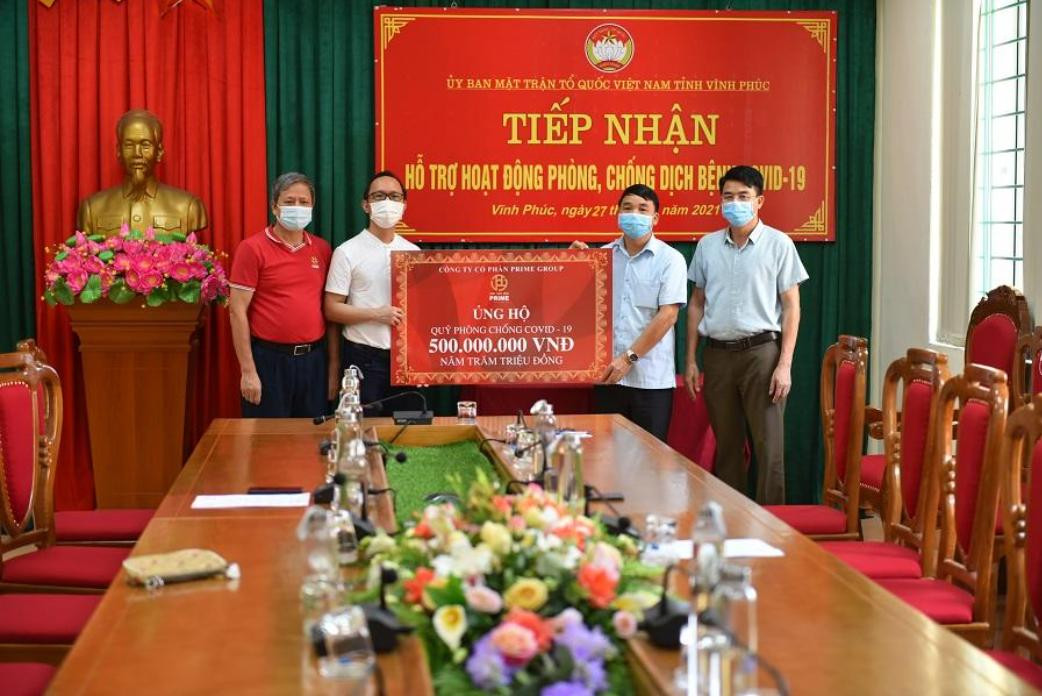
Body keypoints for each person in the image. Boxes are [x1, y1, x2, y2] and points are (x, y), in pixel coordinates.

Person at [684, 165, 809, 505]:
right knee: (727, 447)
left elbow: (792, 307)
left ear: (759, 201)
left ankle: (773, 522)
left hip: (762, 355)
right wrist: (691, 359)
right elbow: (696, 304)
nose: (735, 203)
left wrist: (784, 364)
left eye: (743, 196)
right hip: (717, 355)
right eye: (728, 197)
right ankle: (731, 519)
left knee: (769, 448)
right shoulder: (707, 245)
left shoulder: (779, 244)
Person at [573, 184, 688, 441]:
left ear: (655, 218)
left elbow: (668, 316)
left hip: (650, 381)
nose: (634, 214)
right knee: (607, 454)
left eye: (642, 209)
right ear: (618, 214)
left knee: (649, 457)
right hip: (608, 378)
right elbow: (579, 309)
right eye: (627, 208)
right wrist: (573, 266)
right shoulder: (602, 257)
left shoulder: (670, 259)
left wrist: (628, 358)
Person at [228, 172, 337, 418]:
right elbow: (237, 311)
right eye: (289, 201)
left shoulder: (322, 249)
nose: (297, 207)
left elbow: (329, 311)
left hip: (314, 362)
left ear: (312, 207)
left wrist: (332, 368)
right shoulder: (252, 248)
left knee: (311, 436)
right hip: (269, 362)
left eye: (303, 202)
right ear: (274, 207)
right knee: (268, 438)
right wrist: (248, 371)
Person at [324, 171, 419, 409]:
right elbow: (331, 309)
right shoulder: (347, 252)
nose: (387, 202)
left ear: (404, 205)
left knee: (407, 428)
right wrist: (377, 314)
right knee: (364, 427)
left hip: (406, 360)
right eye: (379, 196)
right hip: (363, 358)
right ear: (365, 205)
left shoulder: (414, 253)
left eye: (394, 196)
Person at [77, 108, 207, 237]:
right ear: (119, 151)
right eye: (129, 145)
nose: (137, 154)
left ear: (159, 152)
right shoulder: (92, 208)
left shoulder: (188, 207)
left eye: (145, 145)